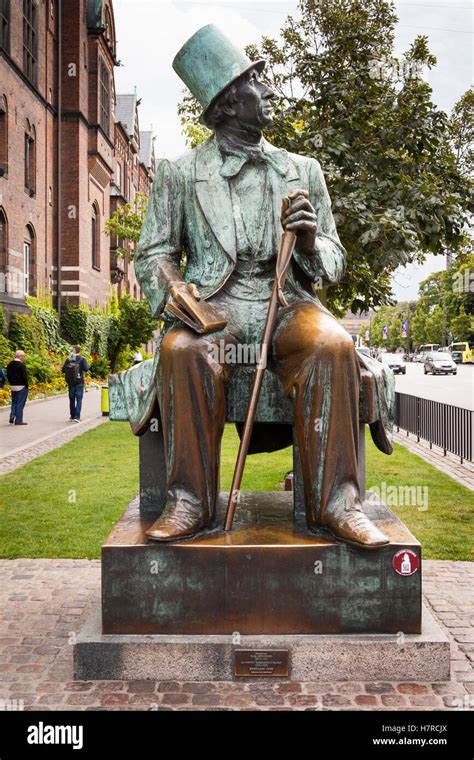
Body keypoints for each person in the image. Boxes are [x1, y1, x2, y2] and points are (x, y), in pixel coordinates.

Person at [115, 26, 395, 547]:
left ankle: (337, 503)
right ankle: (190, 502)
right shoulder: (179, 174)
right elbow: (153, 254)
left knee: (333, 344)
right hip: (214, 306)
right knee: (183, 349)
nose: (268, 91)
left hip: (287, 304)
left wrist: (310, 242)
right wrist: (175, 289)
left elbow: (334, 259)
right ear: (226, 103)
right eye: (255, 82)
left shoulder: (302, 170)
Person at [62, 345, 89, 422]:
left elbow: (63, 370)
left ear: (73, 350)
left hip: (71, 382)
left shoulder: (69, 359)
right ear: (80, 351)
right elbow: (86, 369)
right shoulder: (82, 359)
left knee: (72, 398)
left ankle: (72, 415)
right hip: (79, 381)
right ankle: (77, 417)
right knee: (79, 399)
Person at [6, 350, 29, 425]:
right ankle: (18, 420)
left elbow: (8, 375)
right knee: (20, 403)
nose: (24, 358)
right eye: (23, 356)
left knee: (14, 402)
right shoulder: (21, 365)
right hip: (21, 386)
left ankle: (12, 414)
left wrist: (11, 383)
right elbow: (24, 376)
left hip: (13, 386)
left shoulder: (10, 364)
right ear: (20, 356)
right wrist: (26, 385)